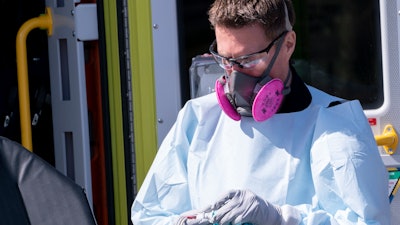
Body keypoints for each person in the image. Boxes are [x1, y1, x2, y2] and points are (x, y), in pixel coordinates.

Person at [131, 0, 391, 224]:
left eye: (248, 60)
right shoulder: (198, 118)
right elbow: (150, 213)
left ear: (288, 44)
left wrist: (281, 218)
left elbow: (365, 221)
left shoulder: (333, 122)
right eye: (225, 60)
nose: (234, 76)